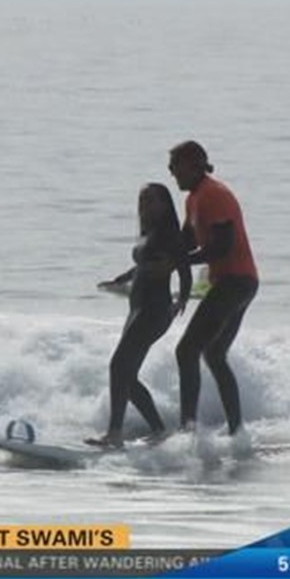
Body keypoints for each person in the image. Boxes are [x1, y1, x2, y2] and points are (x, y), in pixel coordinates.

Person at [88, 182, 191, 448]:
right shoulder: (149, 233)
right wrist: (122, 279)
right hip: (139, 309)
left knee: (118, 367)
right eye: (141, 201)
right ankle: (158, 430)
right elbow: (143, 266)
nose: (144, 206)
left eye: (150, 201)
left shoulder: (169, 235)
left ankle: (114, 434)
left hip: (154, 311)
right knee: (127, 376)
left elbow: (184, 267)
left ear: (165, 204)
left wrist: (183, 296)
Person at [169, 141, 259, 436]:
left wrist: (180, 260)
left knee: (187, 350)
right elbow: (188, 241)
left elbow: (222, 246)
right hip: (237, 282)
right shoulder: (194, 198)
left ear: (194, 165)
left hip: (236, 281)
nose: (172, 172)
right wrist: (153, 258)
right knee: (214, 354)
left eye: (175, 166)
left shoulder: (214, 195)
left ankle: (187, 430)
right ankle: (237, 430)